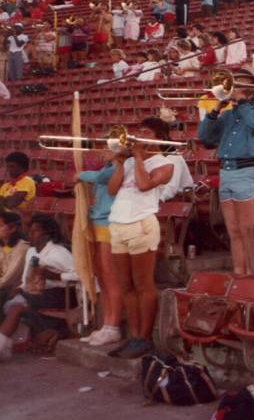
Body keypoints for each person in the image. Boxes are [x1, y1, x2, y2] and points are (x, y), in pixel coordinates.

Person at [106, 118, 176, 359]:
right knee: (125, 285)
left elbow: (145, 185)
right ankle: (134, 336)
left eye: (146, 132)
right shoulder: (127, 164)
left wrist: (137, 158)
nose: (139, 135)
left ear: (158, 138)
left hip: (142, 224)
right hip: (118, 223)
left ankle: (144, 337)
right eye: (139, 131)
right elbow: (112, 190)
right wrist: (118, 165)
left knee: (143, 283)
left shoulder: (165, 163)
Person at [198, 71, 254, 276]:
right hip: (227, 171)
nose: (236, 89)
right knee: (234, 231)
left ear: (253, 89)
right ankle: (240, 272)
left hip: (248, 170)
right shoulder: (229, 115)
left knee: (248, 230)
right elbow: (205, 137)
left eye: (241, 85)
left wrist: (243, 102)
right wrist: (215, 110)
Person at [0, 214, 77, 361]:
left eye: (35, 231)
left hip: (59, 294)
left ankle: (2, 345)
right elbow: (26, 280)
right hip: (35, 292)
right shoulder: (31, 252)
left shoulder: (59, 252)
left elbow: (81, 276)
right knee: (5, 299)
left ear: (47, 234)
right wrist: (19, 288)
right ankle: (7, 344)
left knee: (17, 308)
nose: (30, 234)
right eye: (29, 231)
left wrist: (56, 276)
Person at [75, 154, 122, 347]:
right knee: (102, 277)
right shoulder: (108, 164)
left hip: (110, 222)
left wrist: (80, 174)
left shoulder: (121, 166)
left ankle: (114, 326)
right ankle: (106, 324)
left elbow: (100, 178)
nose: (105, 148)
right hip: (99, 220)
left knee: (111, 277)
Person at [0, 211, 28, 303]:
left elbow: (9, 278)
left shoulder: (22, 248)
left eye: (0, 226)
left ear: (12, 228)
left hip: (13, 289)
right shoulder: (2, 246)